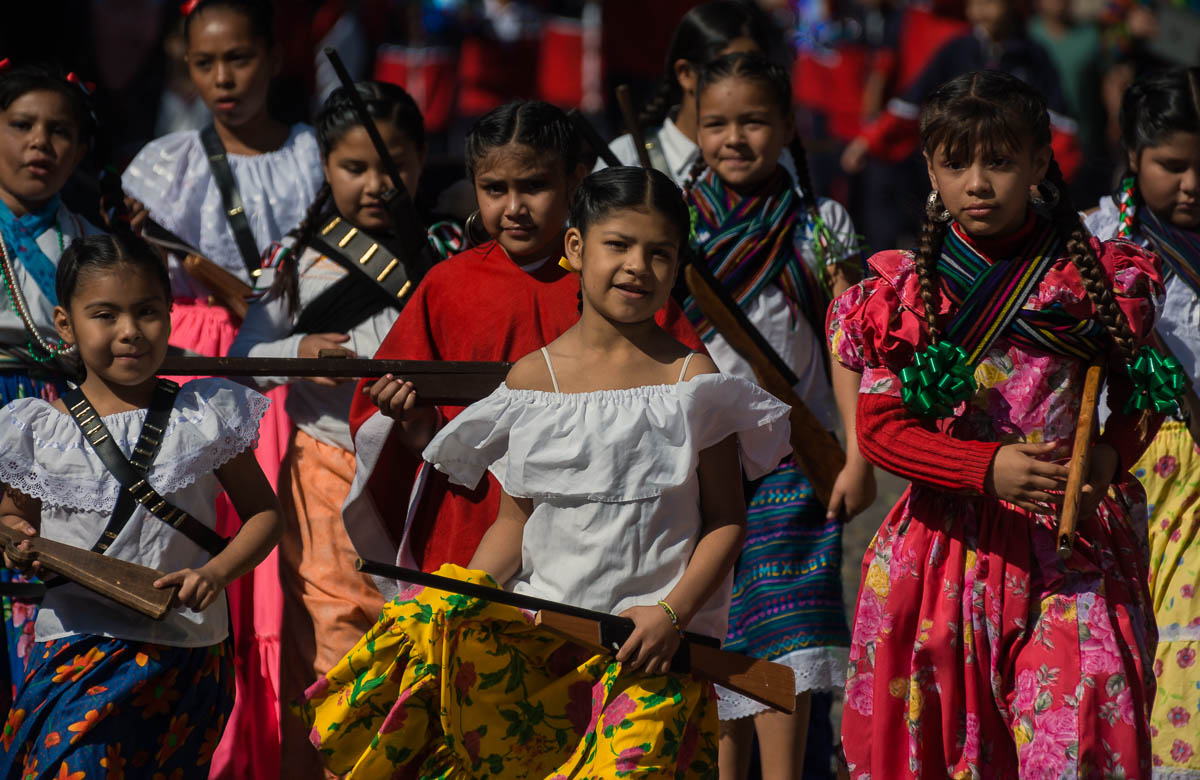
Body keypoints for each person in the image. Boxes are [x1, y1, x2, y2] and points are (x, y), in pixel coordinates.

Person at [295, 165, 792, 778]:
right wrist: (460, 593)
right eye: (619, 245)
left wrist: (670, 616)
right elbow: (516, 520)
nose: (638, 265)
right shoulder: (534, 381)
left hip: (652, 661)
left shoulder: (693, 381)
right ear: (576, 249)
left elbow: (725, 520)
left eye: (659, 252)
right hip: (542, 654)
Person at [828, 70, 1169, 777]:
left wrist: (1108, 456)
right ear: (929, 167)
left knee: (1078, 726)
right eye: (956, 163)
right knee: (954, 748)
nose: (978, 183)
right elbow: (881, 426)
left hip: (1067, 544)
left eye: (1001, 161)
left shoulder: (1096, 279)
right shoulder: (905, 294)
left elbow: (1143, 388)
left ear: (1043, 163)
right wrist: (984, 468)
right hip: (943, 555)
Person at [342, 101, 703, 588]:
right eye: (494, 189)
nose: (513, 207)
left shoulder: (620, 284)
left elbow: (688, 407)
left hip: (593, 531)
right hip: (471, 516)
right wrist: (410, 416)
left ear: (575, 181)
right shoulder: (448, 286)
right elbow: (414, 432)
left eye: (534, 186)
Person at [121, 1, 323, 771]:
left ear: (272, 57)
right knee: (199, 538)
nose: (223, 79)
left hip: (286, 362)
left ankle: (272, 751)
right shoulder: (160, 164)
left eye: (238, 58)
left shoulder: (314, 152)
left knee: (282, 560)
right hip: (189, 362)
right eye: (205, 64)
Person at [0, 231, 283, 778]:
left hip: (186, 652)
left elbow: (265, 516)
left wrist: (217, 573)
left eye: (147, 312)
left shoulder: (204, 414)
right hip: (76, 650)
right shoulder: (36, 430)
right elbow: (13, 518)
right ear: (65, 324)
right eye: (105, 315)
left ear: (170, 315)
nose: (129, 332)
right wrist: (18, 544)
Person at [227, 80, 444, 779]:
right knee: (334, 635)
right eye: (355, 169)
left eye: (395, 166)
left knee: (420, 640)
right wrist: (297, 357)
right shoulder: (298, 257)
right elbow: (242, 359)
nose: (378, 184)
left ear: (423, 158)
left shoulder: (448, 253)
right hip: (326, 472)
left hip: (425, 478)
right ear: (324, 165)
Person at [682, 52, 874, 779]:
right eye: (717, 123)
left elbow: (847, 345)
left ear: (789, 124)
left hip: (793, 463)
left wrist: (857, 454)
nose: (735, 138)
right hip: (693, 466)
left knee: (786, 626)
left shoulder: (820, 226)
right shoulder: (673, 220)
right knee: (716, 630)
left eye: (754, 121)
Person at [1084, 66, 1200, 775]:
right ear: (1132, 155)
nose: (1191, 184)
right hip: (1123, 468)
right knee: (1128, 629)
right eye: (1173, 165)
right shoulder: (1096, 241)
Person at [0, 62, 110, 714]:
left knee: (47, 595)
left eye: (60, 130)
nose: (40, 143)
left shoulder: (92, 244)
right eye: (21, 126)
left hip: (64, 430)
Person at [841, 0, 1083, 184]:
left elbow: (1059, 124)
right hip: (958, 173)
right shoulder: (957, 50)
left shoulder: (1033, 56)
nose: (980, 9)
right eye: (974, 2)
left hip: (1012, 177)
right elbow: (910, 104)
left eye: (989, 2)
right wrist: (868, 141)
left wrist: (1046, 179)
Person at [596, 0, 790, 186]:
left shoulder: (773, 157)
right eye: (722, 69)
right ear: (686, 74)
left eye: (754, 68)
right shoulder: (627, 157)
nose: (739, 80)